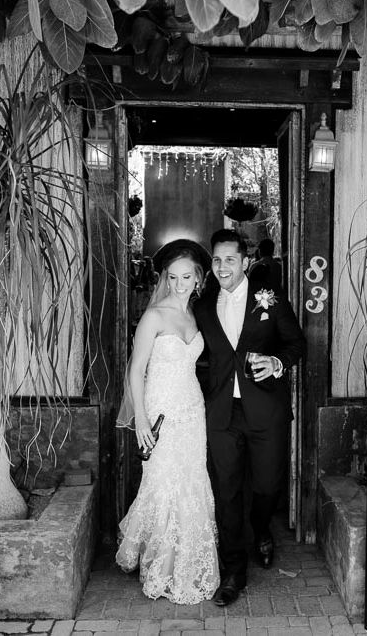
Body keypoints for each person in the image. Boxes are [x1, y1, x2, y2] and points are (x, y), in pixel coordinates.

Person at [194, 228, 305, 607]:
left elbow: (297, 343)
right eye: (216, 259)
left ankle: (262, 528)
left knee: (267, 486)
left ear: (245, 262)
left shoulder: (269, 300)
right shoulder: (204, 304)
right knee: (227, 492)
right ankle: (233, 572)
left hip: (265, 411)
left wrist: (276, 362)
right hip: (222, 413)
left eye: (229, 259)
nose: (222, 266)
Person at [115, 239, 220, 604]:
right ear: (165, 278)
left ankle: (190, 566)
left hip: (193, 410)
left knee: (192, 482)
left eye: (186, 276)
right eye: (172, 277)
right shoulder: (155, 315)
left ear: (198, 278)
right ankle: (160, 568)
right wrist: (141, 420)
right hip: (161, 411)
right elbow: (136, 370)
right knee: (162, 482)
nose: (179, 284)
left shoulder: (196, 314)